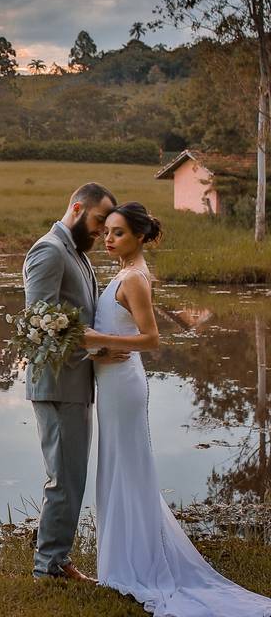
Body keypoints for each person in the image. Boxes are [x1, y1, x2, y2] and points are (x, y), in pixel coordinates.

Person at [85, 201, 271, 615]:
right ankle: (120, 560)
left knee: (128, 467)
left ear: (138, 236)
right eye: (108, 232)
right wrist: (98, 347)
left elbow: (151, 339)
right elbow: (121, 332)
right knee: (116, 465)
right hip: (113, 380)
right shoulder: (123, 272)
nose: (109, 239)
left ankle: (133, 564)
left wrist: (95, 338)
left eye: (118, 233)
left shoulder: (135, 278)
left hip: (125, 385)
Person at [22, 182, 125, 581]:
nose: (102, 230)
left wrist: (98, 352)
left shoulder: (77, 253)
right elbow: (40, 320)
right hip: (56, 382)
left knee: (72, 475)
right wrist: (103, 346)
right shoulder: (49, 250)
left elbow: (76, 316)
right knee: (63, 478)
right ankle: (48, 567)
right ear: (78, 208)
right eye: (100, 220)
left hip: (76, 380)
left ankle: (57, 560)